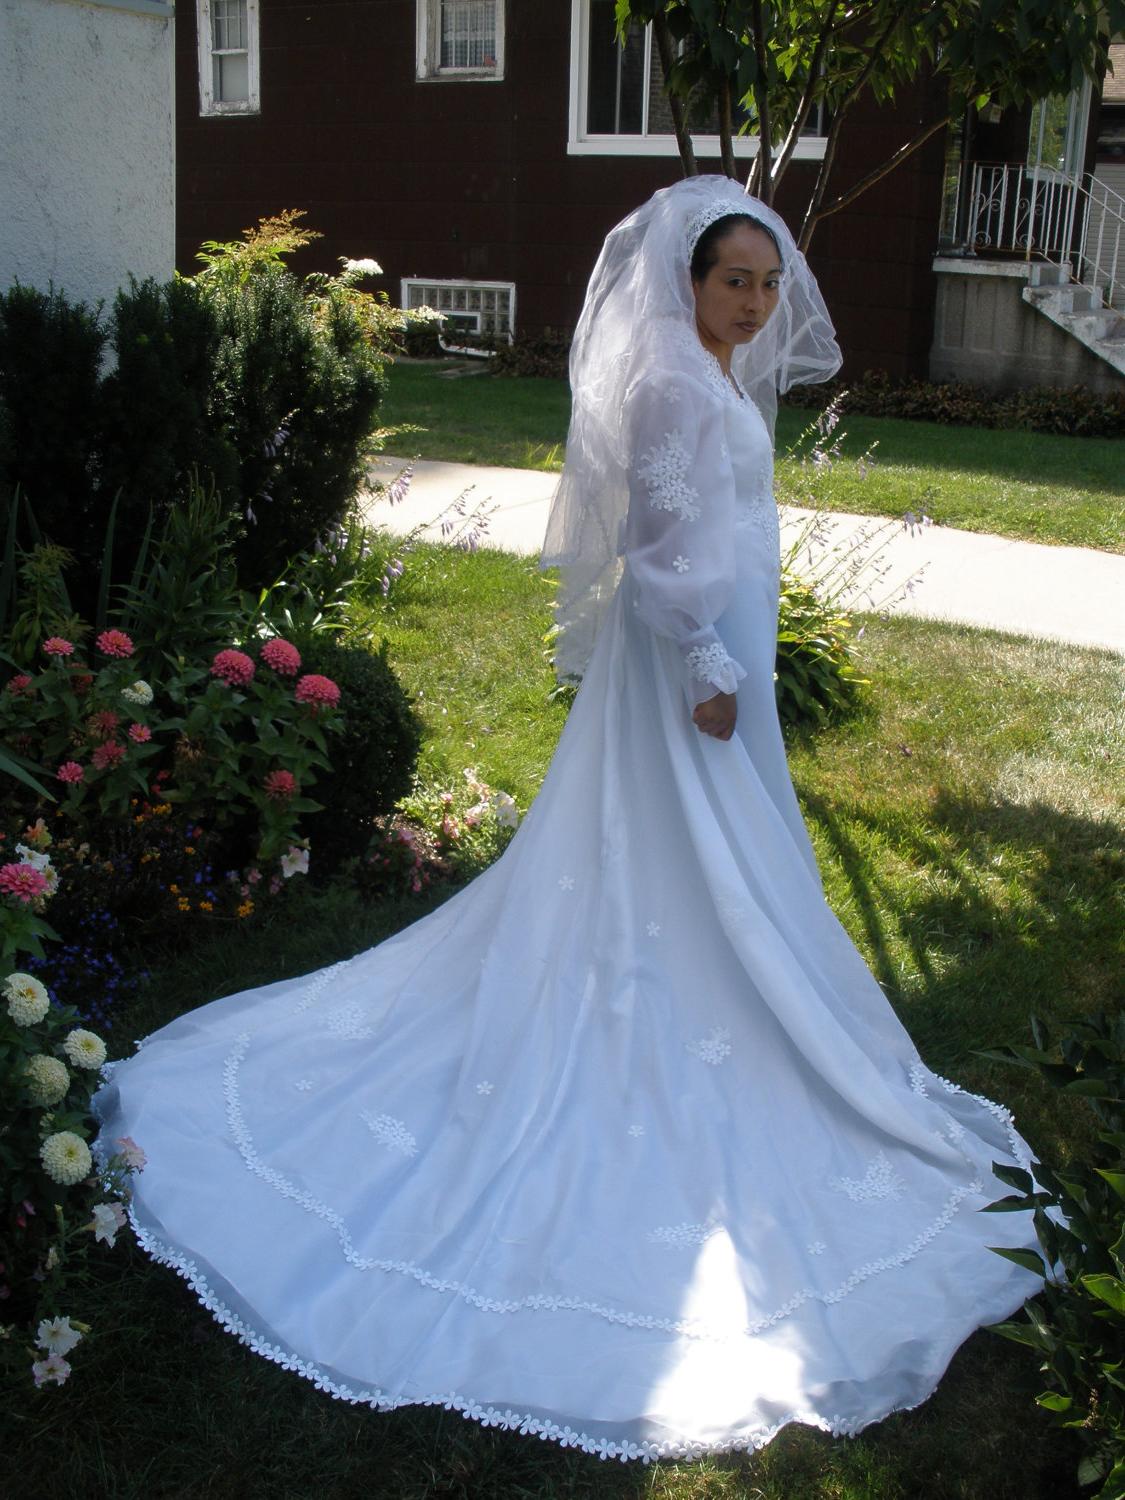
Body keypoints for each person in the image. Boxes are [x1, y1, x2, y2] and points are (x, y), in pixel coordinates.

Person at [95, 177, 1039, 1464]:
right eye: (734, 282)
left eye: (768, 282)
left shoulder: (713, 374)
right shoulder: (665, 383)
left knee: (738, 841)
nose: (756, 304)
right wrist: (708, 665)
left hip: (727, 648)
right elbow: (654, 550)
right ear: (688, 283)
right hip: (687, 667)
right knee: (686, 843)